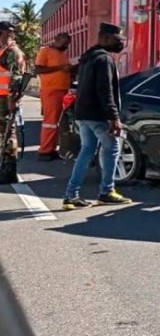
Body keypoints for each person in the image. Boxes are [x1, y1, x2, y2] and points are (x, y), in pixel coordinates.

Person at [62, 23, 133, 210]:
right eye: (117, 40)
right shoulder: (104, 60)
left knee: (87, 151)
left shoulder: (88, 58)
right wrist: (114, 117)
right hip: (97, 115)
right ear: (105, 38)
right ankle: (106, 192)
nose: (121, 44)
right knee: (112, 148)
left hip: (83, 113)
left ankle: (71, 195)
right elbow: (105, 91)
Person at [34, 32, 74, 161]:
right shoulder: (45, 51)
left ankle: (52, 149)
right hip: (51, 90)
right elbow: (38, 69)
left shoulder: (62, 53)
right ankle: (44, 151)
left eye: (68, 43)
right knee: (50, 122)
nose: (66, 45)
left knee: (57, 122)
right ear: (56, 39)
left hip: (63, 90)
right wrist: (61, 68)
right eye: (64, 42)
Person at [0, 22, 27, 162]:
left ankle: (8, 166)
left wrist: (12, 98)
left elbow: (16, 77)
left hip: (6, 99)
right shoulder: (3, 50)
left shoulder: (13, 52)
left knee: (8, 133)